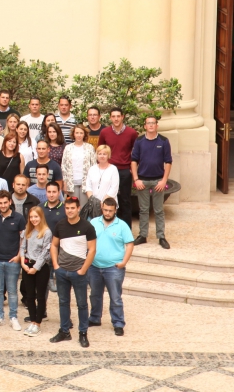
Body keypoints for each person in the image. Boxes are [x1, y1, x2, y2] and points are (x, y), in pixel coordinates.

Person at [50, 196, 97, 348]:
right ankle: (64, 331)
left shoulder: (87, 227)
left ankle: (83, 333)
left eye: (72, 208)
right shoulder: (60, 225)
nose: (70, 211)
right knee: (63, 302)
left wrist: (83, 270)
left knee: (82, 304)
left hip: (79, 273)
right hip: (62, 271)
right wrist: (56, 265)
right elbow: (54, 245)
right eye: (67, 208)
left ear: (78, 208)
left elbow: (92, 250)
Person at [88, 197, 134, 336]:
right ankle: (95, 318)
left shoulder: (122, 225)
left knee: (115, 297)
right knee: (95, 295)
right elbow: (87, 240)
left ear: (115, 210)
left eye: (110, 211)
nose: (107, 213)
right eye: (105, 210)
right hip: (94, 266)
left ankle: (118, 323)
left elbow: (130, 244)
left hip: (114, 267)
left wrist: (124, 262)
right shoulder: (94, 222)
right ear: (102, 208)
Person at [131, 116, 173, 249]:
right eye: (148, 123)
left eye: (153, 123)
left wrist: (164, 180)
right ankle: (143, 235)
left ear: (157, 126)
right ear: (145, 126)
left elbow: (168, 162)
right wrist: (136, 179)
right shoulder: (139, 141)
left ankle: (161, 237)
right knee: (143, 210)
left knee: (159, 210)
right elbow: (133, 161)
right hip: (142, 180)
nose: (150, 125)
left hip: (158, 181)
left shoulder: (164, 141)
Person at [0, 190, 24, 331]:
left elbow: (23, 238)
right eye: (0, 203)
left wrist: (19, 256)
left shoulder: (19, 218)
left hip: (12, 260)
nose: (2, 205)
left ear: (10, 202)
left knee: (13, 291)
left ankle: (13, 317)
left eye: (5, 203)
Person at [98, 108, 138, 227]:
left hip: (124, 170)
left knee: (125, 200)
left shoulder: (131, 133)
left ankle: (126, 229)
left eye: (118, 116)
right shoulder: (105, 132)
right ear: (110, 118)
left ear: (122, 117)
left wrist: (133, 167)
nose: (116, 119)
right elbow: (100, 150)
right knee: (107, 198)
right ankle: (106, 226)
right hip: (108, 169)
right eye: (113, 116)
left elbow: (136, 152)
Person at [19, 206, 52, 337]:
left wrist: (35, 268)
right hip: (27, 265)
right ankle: (32, 320)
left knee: (40, 296)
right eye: (31, 217)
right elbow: (22, 247)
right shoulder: (28, 230)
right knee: (29, 295)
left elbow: (45, 252)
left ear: (41, 217)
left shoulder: (47, 232)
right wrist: (23, 262)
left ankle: (38, 323)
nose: (33, 219)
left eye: (36, 217)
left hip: (41, 267)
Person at [62, 124, 96, 204]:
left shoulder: (90, 147)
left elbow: (93, 165)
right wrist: (65, 182)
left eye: (81, 133)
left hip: (86, 182)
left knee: (84, 206)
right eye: (77, 133)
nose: (79, 135)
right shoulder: (68, 148)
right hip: (72, 182)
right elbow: (64, 166)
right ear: (74, 134)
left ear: (84, 134)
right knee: (74, 205)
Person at [85, 145, 120, 212]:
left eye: (104, 154)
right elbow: (88, 186)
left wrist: (103, 202)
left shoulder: (113, 169)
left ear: (108, 156)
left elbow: (114, 188)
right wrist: (93, 201)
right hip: (93, 205)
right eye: (99, 154)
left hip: (109, 205)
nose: (102, 156)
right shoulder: (92, 169)